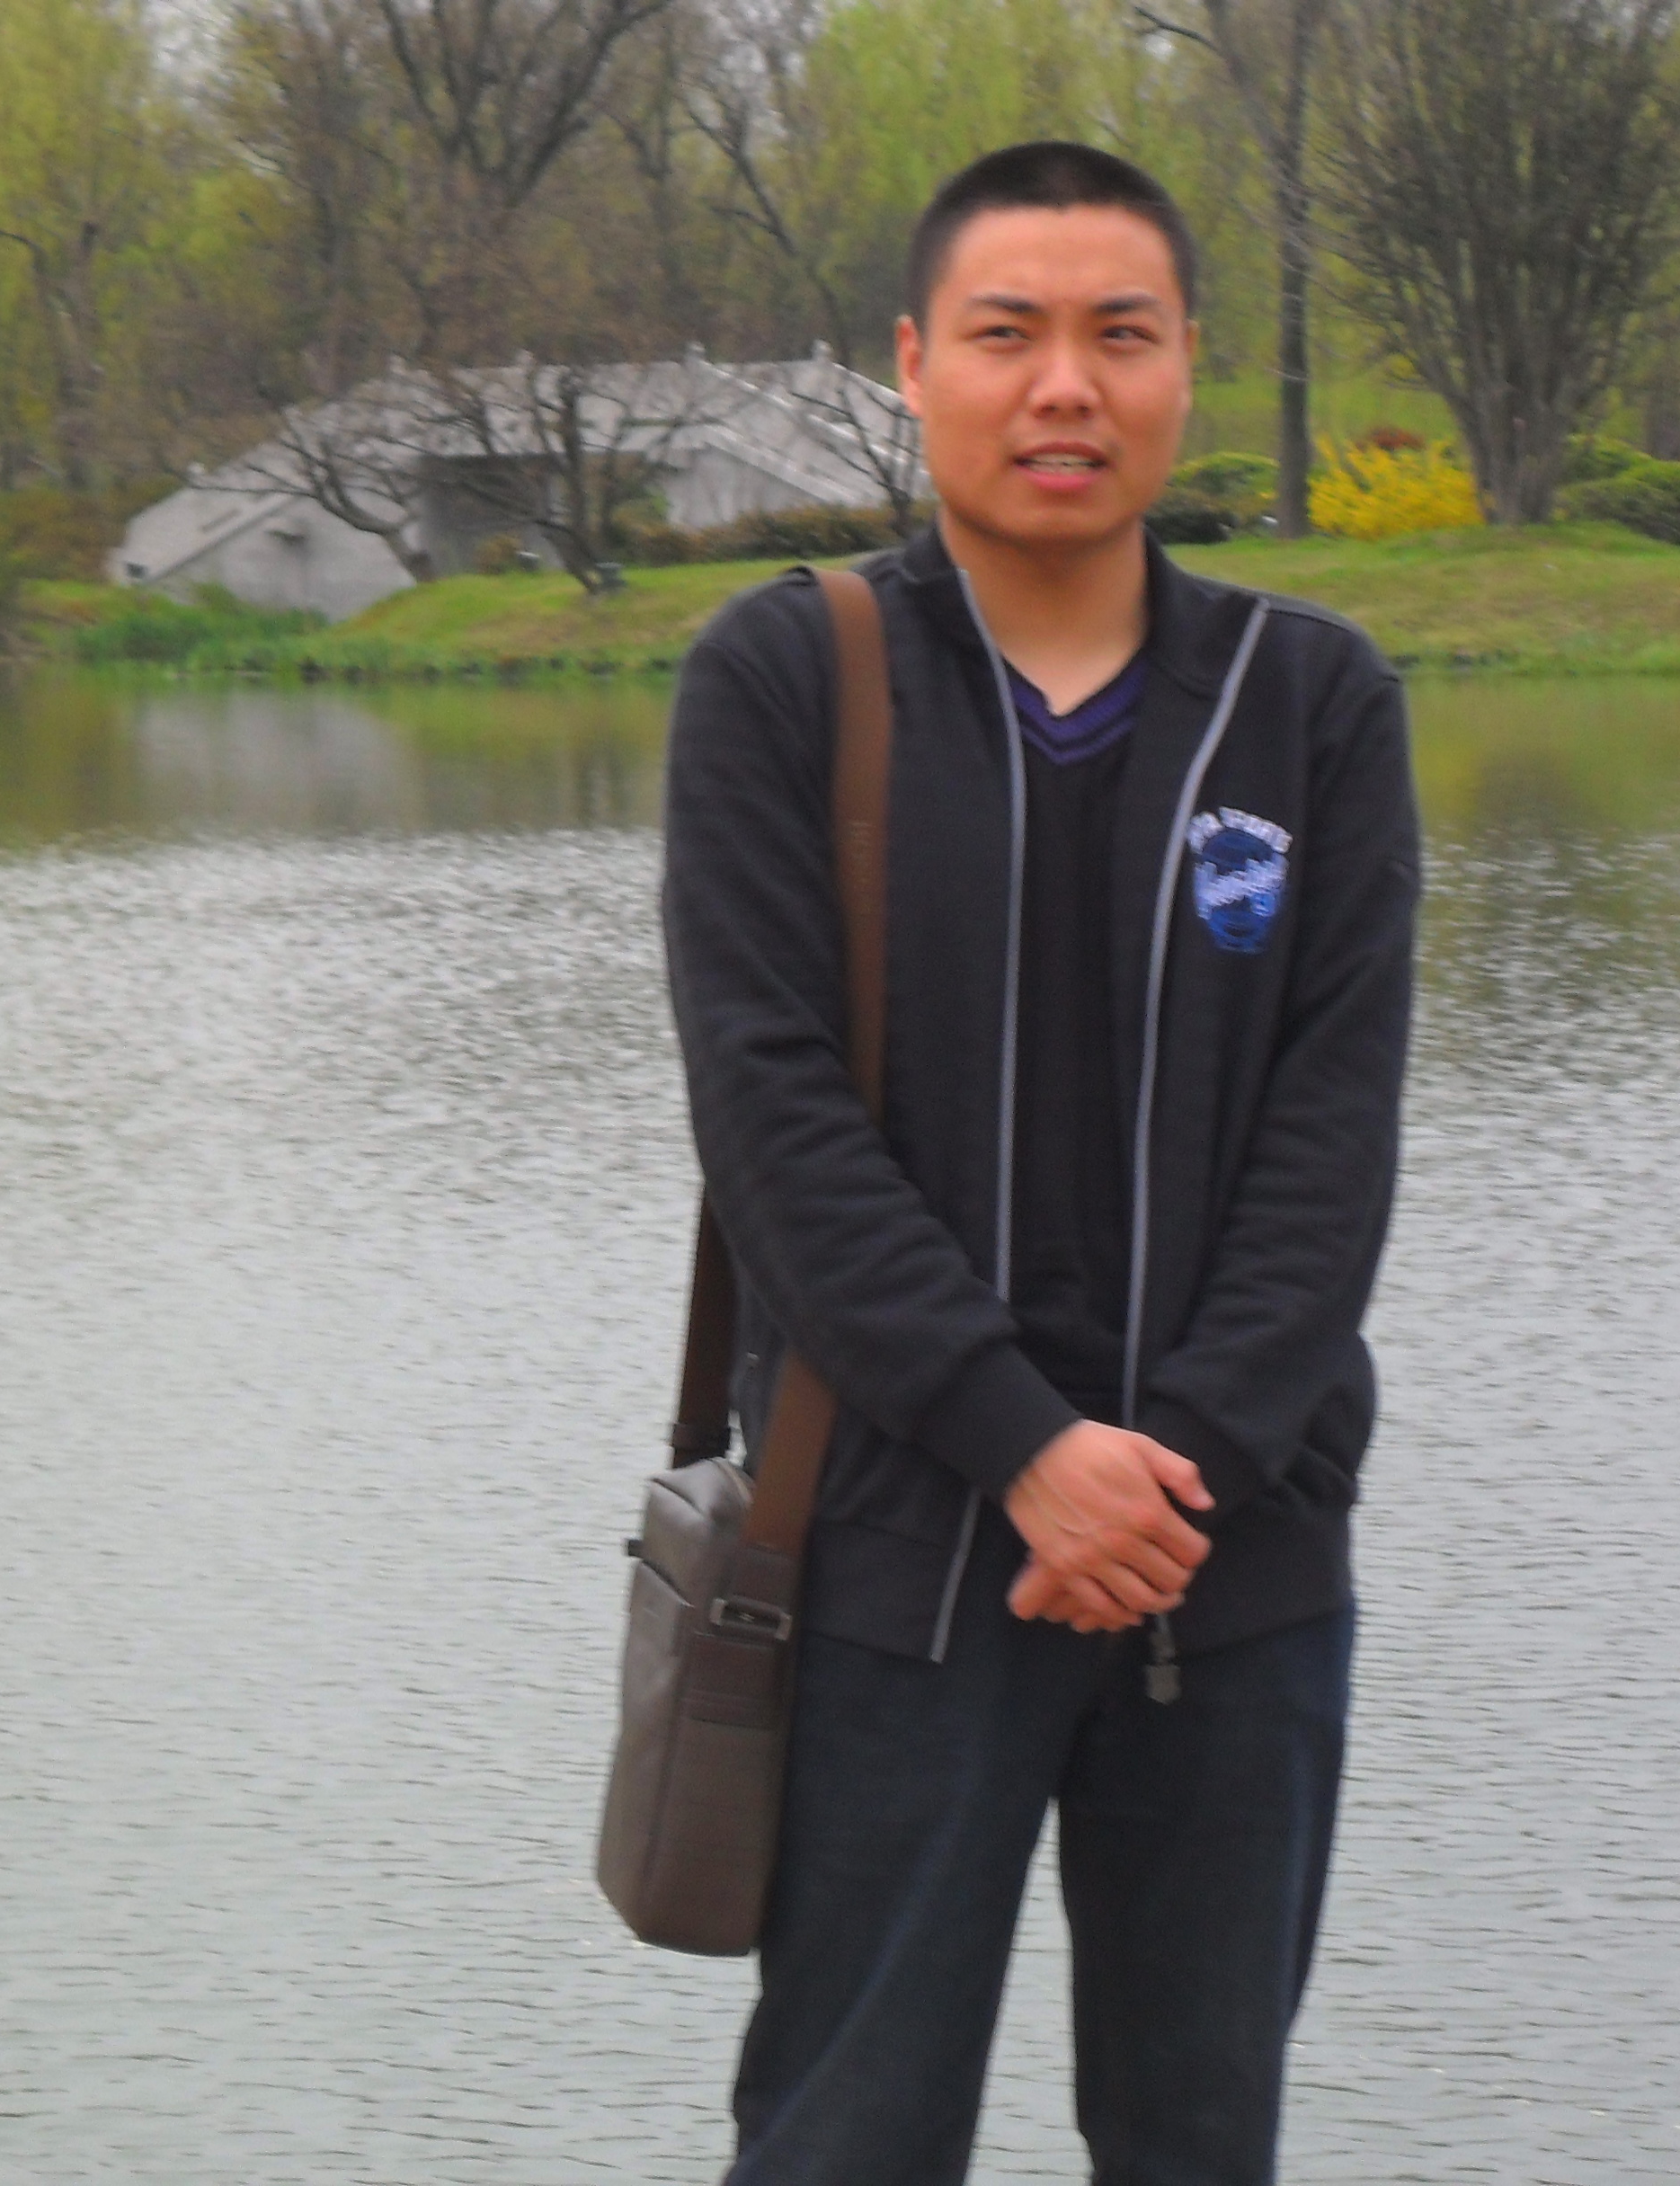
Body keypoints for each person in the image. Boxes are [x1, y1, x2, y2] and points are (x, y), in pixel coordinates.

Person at [661, 139, 1418, 2186]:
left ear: (1187, 365)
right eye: (1008, 334)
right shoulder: (786, 680)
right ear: (917, 364)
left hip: (1226, 1559)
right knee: (847, 2138)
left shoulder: (1310, 702)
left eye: (1119, 335)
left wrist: (1176, 1471)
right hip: (895, 1553)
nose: (1064, 384)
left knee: (1199, 2141)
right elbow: (775, 1127)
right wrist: (1023, 1444)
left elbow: (1335, 1138)